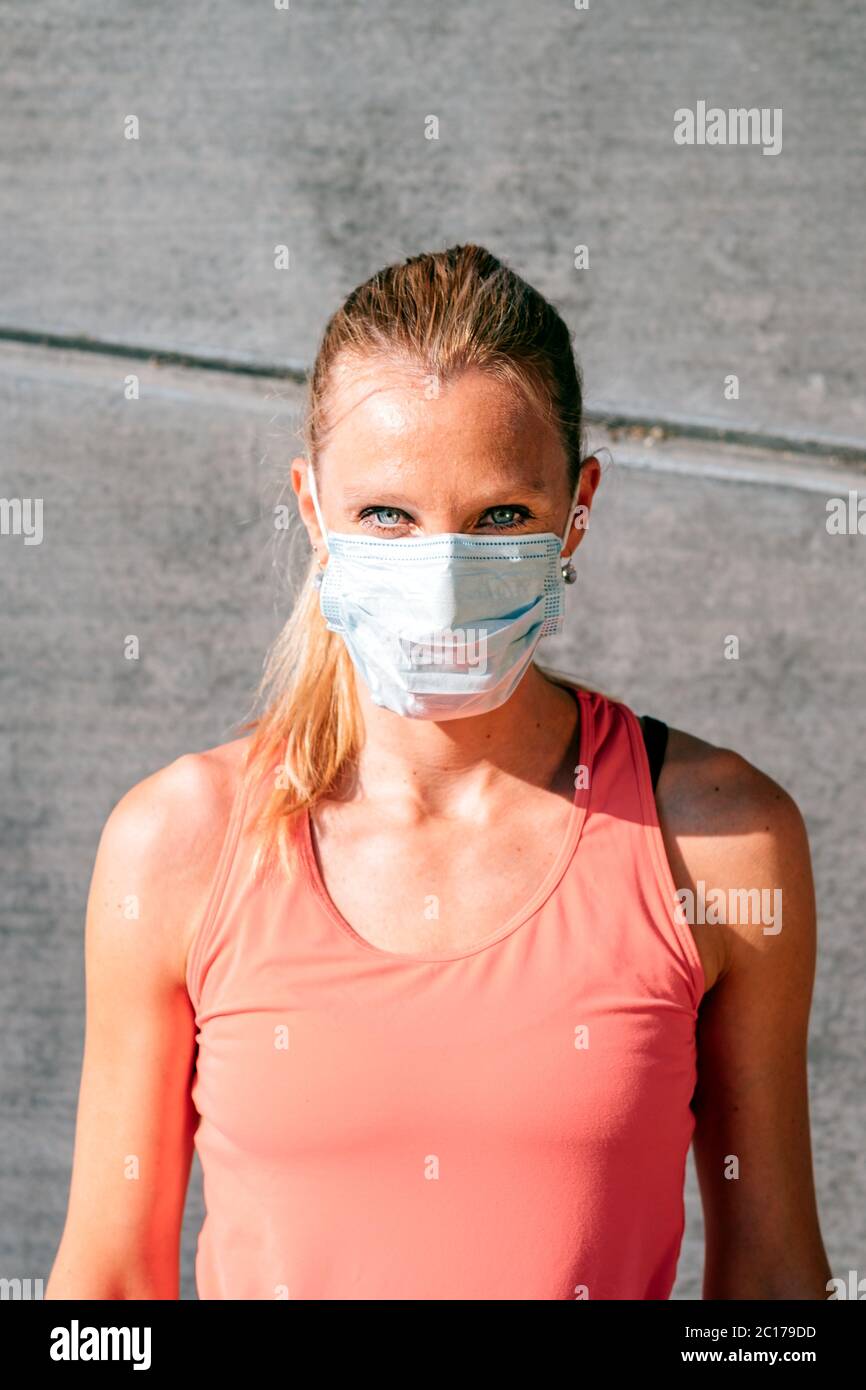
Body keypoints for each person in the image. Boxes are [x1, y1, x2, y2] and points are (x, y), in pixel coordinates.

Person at [47, 244, 831, 1300]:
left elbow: (774, 1291)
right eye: (388, 515)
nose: (441, 572)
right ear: (313, 509)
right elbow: (104, 1297)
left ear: (577, 507)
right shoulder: (178, 844)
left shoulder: (720, 840)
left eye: (499, 516)